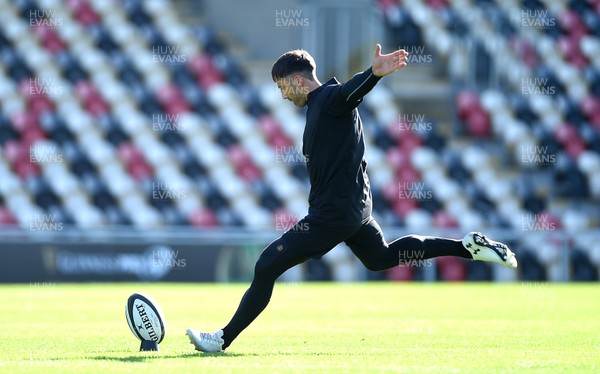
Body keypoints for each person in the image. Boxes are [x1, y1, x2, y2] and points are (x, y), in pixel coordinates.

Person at [186, 44, 517, 352]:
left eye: (282, 86)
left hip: (334, 214)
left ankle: (222, 339)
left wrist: (372, 74)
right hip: (354, 208)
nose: (282, 95)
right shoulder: (320, 106)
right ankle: (466, 246)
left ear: (298, 81)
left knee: (267, 265)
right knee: (380, 258)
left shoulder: (329, 99)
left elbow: (349, 94)